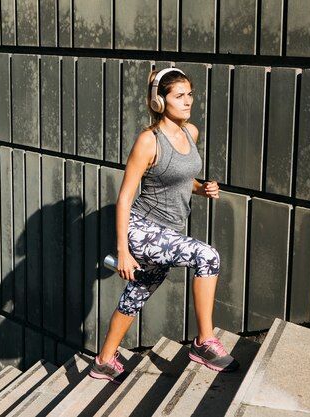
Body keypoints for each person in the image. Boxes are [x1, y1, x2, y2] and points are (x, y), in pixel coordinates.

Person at [89, 68, 239, 384]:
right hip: (141, 229)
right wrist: (123, 252)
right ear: (160, 101)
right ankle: (203, 343)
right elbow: (125, 197)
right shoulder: (148, 141)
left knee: (137, 293)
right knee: (207, 257)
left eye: (190, 94)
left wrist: (202, 188)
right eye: (179, 96)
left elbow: (182, 179)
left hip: (168, 232)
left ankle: (104, 361)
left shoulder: (190, 133)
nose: (188, 102)